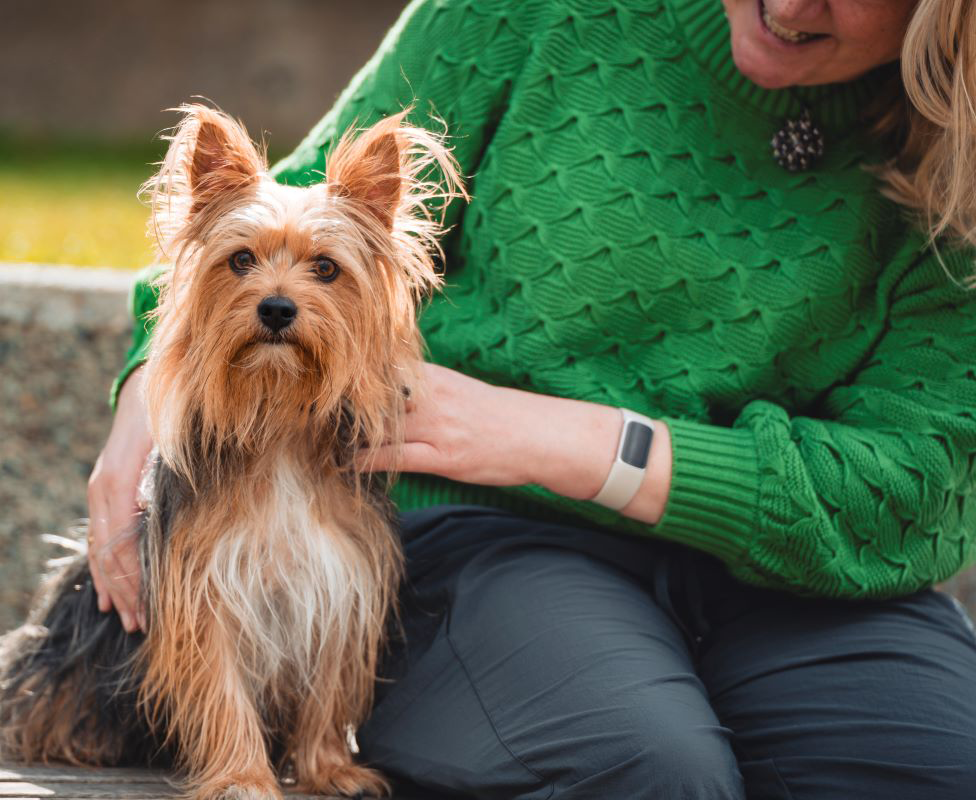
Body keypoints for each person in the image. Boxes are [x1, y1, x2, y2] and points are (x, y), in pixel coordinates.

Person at [86, 0, 976, 796]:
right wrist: (149, 396)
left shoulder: (957, 166)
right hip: (495, 532)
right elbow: (286, 202)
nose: (788, 3)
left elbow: (914, 481)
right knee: (648, 769)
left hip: (807, 571)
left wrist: (575, 442)